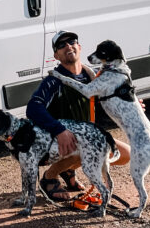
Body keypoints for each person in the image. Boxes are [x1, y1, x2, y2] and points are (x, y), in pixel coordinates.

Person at [26, 30, 133, 202]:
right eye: (61, 45)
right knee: (85, 149)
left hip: (83, 138)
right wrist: (59, 130)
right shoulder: (53, 81)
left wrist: (130, 105)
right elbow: (33, 108)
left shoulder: (91, 76)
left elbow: (107, 102)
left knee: (126, 154)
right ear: (56, 55)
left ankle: (68, 169)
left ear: (79, 47)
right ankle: (50, 177)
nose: (68, 46)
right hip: (54, 141)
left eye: (72, 41)